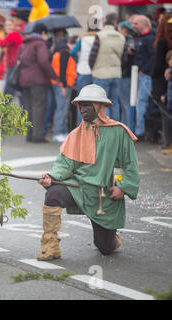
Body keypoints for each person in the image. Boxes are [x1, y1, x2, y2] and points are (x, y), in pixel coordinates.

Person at [37, 84, 139, 261]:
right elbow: (64, 165)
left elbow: (127, 164)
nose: (83, 109)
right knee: (53, 194)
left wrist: (121, 186)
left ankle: (111, 238)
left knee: (105, 248)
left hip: (104, 194)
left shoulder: (119, 132)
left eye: (87, 105)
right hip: (79, 187)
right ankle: (50, 247)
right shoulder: (75, 134)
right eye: (80, 105)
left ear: (100, 107)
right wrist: (51, 177)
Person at [17, 23, 58, 143]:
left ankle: (29, 134)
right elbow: (43, 61)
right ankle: (37, 136)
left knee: (29, 107)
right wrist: (54, 76)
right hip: (38, 80)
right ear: (43, 33)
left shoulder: (25, 44)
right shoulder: (40, 44)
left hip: (24, 80)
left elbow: (19, 59)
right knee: (39, 107)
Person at [89, 13, 125, 122]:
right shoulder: (121, 37)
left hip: (101, 74)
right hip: (116, 74)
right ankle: (114, 128)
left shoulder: (100, 35)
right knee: (114, 102)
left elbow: (92, 56)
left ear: (104, 23)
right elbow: (124, 57)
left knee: (101, 104)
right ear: (115, 23)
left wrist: (93, 69)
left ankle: (105, 127)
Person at [131, 15, 156, 140]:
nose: (133, 26)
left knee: (142, 103)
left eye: (136, 23)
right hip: (140, 74)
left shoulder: (150, 38)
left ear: (144, 24)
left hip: (145, 76)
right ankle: (141, 130)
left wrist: (144, 69)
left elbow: (153, 57)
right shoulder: (140, 38)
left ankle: (140, 132)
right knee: (139, 103)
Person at [70, 26, 99, 125]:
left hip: (83, 71)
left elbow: (72, 52)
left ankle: (82, 126)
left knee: (82, 102)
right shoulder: (100, 38)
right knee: (96, 102)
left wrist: (78, 61)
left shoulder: (83, 39)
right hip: (96, 72)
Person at [152, 14, 172, 152]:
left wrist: (151, 72)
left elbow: (157, 65)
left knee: (165, 113)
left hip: (161, 81)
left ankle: (167, 143)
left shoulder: (162, 42)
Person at [50, 38, 77, 143]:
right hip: (64, 84)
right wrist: (64, 86)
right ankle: (58, 133)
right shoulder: (65, 53)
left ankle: (63, 132)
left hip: (59, 84)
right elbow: (63, 70)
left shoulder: (57, 53)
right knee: (62, 110)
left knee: (62, 109)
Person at [0, 17, 23, 96]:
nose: (8, 27)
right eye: (6, 25)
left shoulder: (13, 34)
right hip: (13, 64)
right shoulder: (13, 34)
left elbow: (2, 43)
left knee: (9, 89)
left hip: (14, 65)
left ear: (13, 26)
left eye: (10, 25)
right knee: (12, 89)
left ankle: (5, 106)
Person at [118, 21, 135, 126]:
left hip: (124, 75)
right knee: (125, 104)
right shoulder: (131, 39)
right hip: (128, 74)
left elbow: (125, 59)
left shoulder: (126, 40)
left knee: (125, 104)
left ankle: (127, 127)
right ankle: (125, 126)